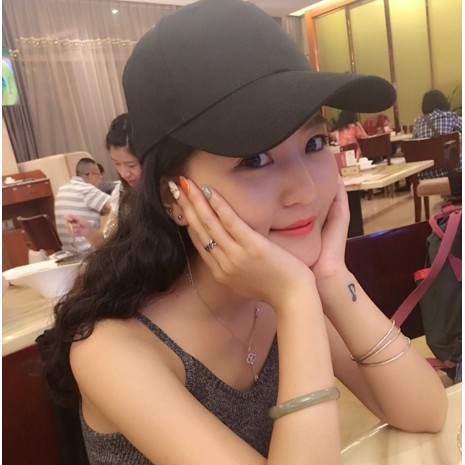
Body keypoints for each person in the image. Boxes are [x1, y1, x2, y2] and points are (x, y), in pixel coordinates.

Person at [42, 1, 447, 464]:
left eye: (314, 143)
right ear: (173, 197)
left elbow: (426, 410)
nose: (305, 189)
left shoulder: (277, 281)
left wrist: (332, 278)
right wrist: (296, 300)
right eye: (255, 159)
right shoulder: (112, 348)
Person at [66, 113, 142, 247]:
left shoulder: (166, 191)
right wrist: (88, 231)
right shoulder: (121, 192)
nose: (124, 173)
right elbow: (107, 244)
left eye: (131, 165)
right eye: (117, 163)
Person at [54, 158, 111, 254]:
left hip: (69, 251)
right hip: (89, 250)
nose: (101, 177)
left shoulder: (62, 189)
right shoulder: (86, 189)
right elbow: (118, 205)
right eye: (99, 174)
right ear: (90, 175)